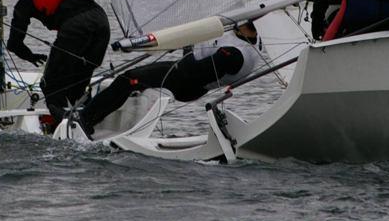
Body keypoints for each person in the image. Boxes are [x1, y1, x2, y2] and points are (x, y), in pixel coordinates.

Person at [76, 22, 261, 137]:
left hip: (186, 83)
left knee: (129, 79)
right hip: (184, 74)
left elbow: (194, 69)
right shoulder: (246, 36)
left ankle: (84, 120)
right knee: (130, 79)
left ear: (247, 24)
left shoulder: (235, 55)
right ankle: (92, 112)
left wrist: (185, 43)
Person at [7, 0, 110, 124]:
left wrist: (31, 57)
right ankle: (91, 123)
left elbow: (13, 44)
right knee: (77, 87)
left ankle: (66, 130)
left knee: (51, 87)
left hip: (75, 27)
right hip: (101, 21)